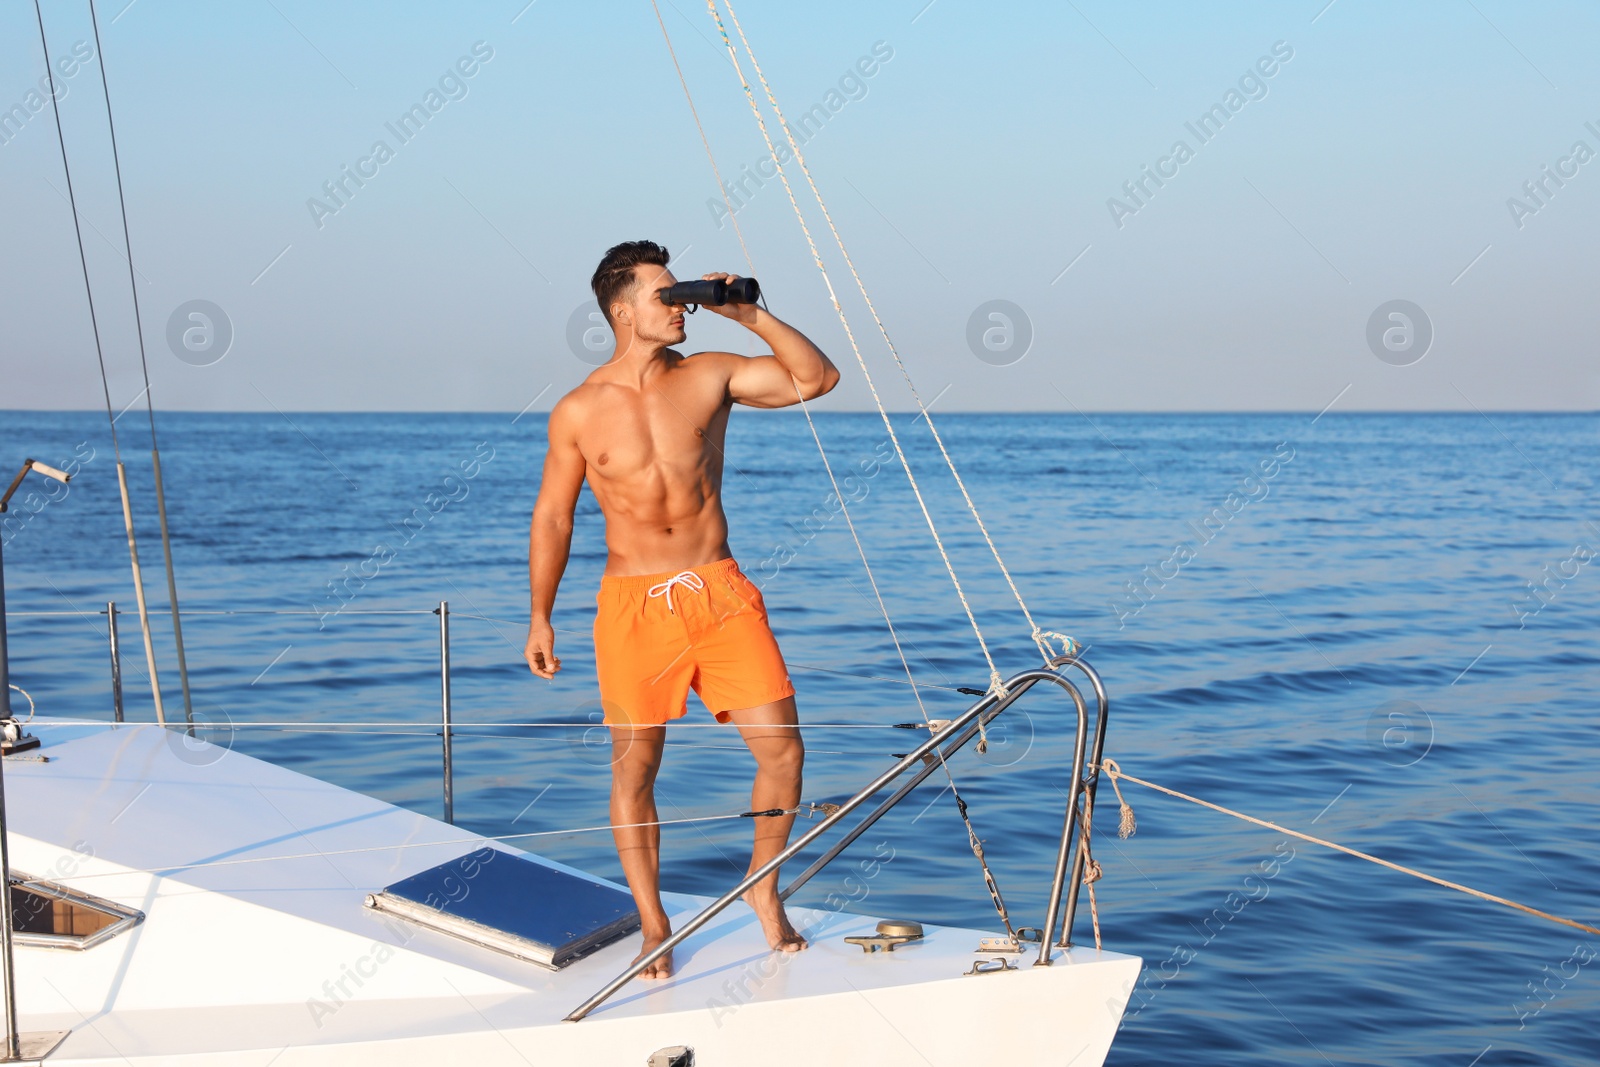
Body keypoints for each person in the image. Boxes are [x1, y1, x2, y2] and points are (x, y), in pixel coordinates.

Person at [524, 240, 840, 979]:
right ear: (623, 310)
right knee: (635, 768)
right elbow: (553, 519)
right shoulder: (578, 409)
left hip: (719, 591)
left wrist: (749, 313)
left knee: (783, 751)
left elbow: (816, 377)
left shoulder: (710, 375)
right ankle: (654, 921)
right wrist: (541, 616)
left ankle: (763, 891)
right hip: (633, 606)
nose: (683, 305)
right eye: (668, 295)